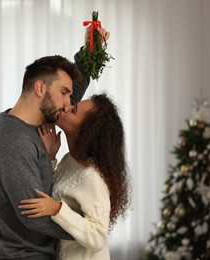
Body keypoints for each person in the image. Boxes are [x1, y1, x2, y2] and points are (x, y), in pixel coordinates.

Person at [0, 28, 110, 259]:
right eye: (64, 93)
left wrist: (92, 51)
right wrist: (89, 233)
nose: (67, 103)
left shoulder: (31, 124)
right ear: (40, 88)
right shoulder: (14, 141)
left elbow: (76, 110)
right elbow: (35, 215)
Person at [19, 93, 131, 260]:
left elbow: (98, 237)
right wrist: (50, 157)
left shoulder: (91, 176)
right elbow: (53, 190)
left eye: (73, 110)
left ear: (87, 130)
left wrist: (57, 209)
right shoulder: (69, 160)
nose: (66, 107)